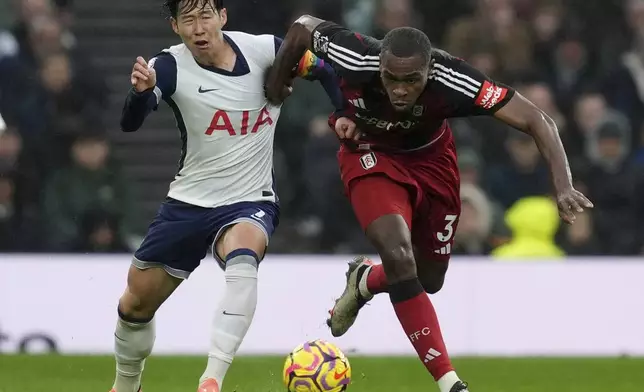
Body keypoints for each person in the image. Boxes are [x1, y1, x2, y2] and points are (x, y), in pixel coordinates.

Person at [265, 15, 594, 392]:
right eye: (391, 78)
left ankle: (367, 280)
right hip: (371, 155)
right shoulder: (357, 57)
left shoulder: (454, 79)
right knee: (399, 253)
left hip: (432, 163)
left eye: (411, 81)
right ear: (381, 66)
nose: (399, 90)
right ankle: (450, 382)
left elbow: (538, 119)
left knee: (428, 279)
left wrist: (563, 184)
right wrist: (276, 88)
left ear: (429, 71)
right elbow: (303, 26)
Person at [110, 2, 340, 392]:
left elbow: (325, 70)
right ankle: (125, 385)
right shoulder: (167, 66)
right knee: (135, 305)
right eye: (188, 20)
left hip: (250, 198)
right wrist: (140, 94)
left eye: (205, 16)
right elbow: (131, 124)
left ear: (223, 16)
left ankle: (211, 380)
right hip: (188, 203)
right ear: (175, 26)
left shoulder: (267, 50)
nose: (198, 28)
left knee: (244, 253)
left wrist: (343, 112)